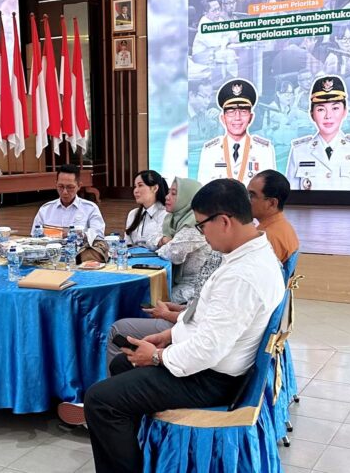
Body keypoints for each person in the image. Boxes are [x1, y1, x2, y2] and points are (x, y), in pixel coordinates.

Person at [66, 179, 285, 473]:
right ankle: (139, 450)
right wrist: (169, 335)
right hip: (212, 365)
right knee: (121, 364)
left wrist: (157, 357)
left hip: (212, 378)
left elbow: (207, 350)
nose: (202, 234)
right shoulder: (250, 253)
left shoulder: (242, 276)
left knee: (100, 401)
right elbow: (209, 319)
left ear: (224, 221)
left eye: (202, 226)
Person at [286, 75, 350, 190]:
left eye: (335, 108)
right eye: (321, 109)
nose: (328, 116)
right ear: (311, 114)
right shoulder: (299, 151)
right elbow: (290, 199)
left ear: (345, 111)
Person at [197, 78, 276, 186]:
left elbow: (269, 190)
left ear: (251, 117)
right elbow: (203, 190)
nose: (237, 117)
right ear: (223, 118)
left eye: (243, 111)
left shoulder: (264, 150)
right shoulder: (210, 151)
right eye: (231, 111)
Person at [156, 178, 218, 304]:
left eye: (174, 193)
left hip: (195, 289)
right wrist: (163, 241)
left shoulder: (195, 224)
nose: (167, 197)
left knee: (151, 301)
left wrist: (164, 243)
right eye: (168, 192)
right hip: (179, 283)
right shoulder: (171, 220)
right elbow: (153, 238)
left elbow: (172, 253)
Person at [32, 164, 105, 238]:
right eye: (61, 186)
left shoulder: (90, 209)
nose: (65, 192)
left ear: (79, 186)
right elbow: (34, 236)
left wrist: (75, 234)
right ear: (56, 184)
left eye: (70, 187)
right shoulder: (45, 210)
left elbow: (98, 234)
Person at [247, 170, 300, 262]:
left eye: (251, 196)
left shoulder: (267, 238)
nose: (246, 200)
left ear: (272, 203)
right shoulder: (283, 226)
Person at [124, 170, 168, 249]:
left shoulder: (166, 215)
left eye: (140, 185)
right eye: (135, 186)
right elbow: (127, 243)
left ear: (155, 188)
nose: (135, 191)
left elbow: (164, 246)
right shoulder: (133, 214)